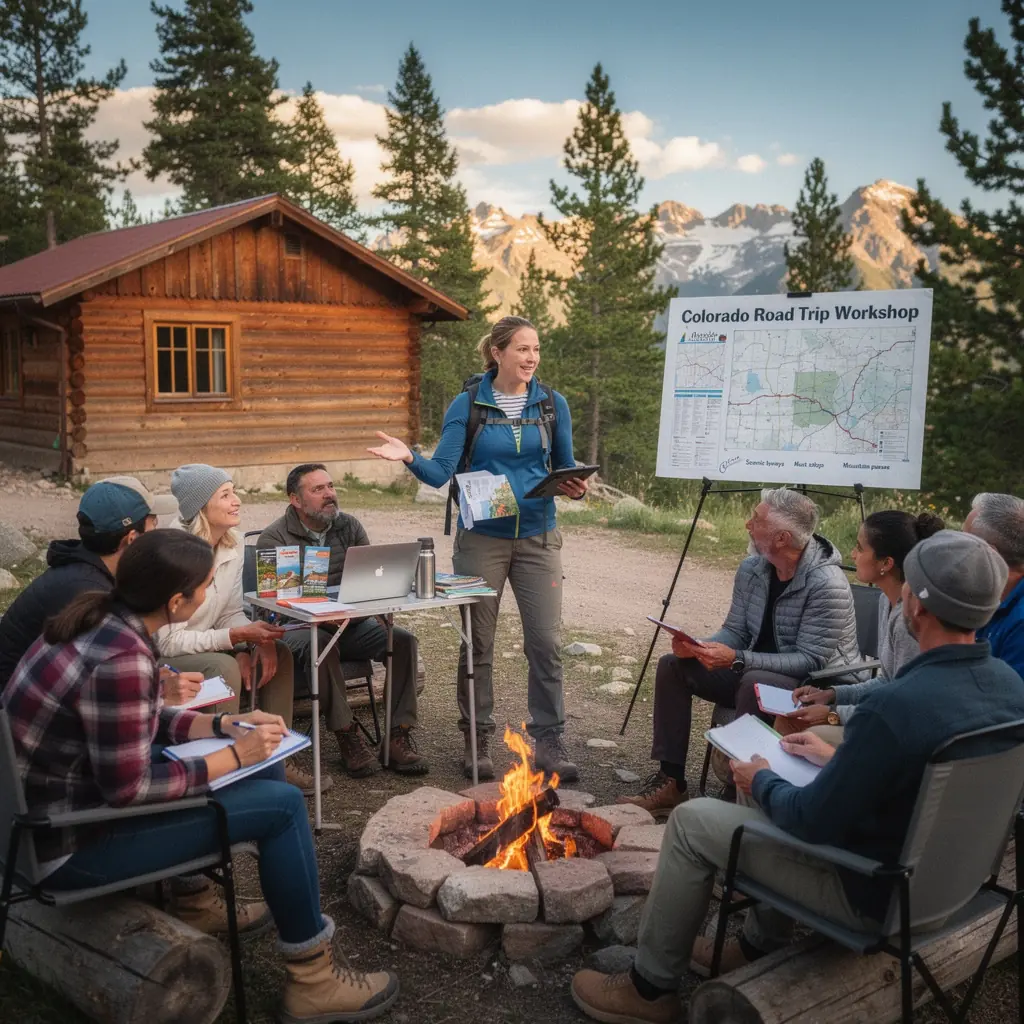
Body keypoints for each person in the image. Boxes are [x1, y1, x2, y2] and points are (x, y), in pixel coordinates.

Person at [570, 531, 1023, 1024]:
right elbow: (922, 776)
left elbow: (811, 821)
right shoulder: (1010, 687)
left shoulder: (896, 708)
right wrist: (840, 762)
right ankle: (758, 944)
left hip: (876, 896)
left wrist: (762, 779)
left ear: (918, 606)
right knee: (800, 754)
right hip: (958, 888)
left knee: (691, 823)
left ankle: (649, 989)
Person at [3, 529, 399, 1022]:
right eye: (207, 585)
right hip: (68, 846)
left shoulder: (99, 617)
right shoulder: (123, 656)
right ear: (176, 601)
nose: (211, 592)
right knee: (282, 807)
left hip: (53, 815)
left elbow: (136, 717)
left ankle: (193, 898)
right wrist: (234, 755)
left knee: (268, 763)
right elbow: (129, 789)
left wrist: (222, 725)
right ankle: (312, 979)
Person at [368, 315, 589, 782]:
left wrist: (575, 487)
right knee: (478, 643)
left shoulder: (552, 404)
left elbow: (565, 465)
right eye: (523, 349)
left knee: (546, 643)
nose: (532, 358)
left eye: (536, 349)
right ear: (498, 352)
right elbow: (439, 472)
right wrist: (408, 456)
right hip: (482, 539)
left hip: (539, 537)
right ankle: (476, 737)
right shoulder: (469, 404)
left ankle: (549, 739)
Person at [618, 488, 860, 815]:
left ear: (782, 538)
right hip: (752, 670)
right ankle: (671, 782)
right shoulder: (753, 568)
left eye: (756, 520)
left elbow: (810, 659)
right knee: (674, 666)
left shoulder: (827, 584)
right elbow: (736, 630)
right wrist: (700, 646)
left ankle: (738, 793)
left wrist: (737, 659)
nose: (748, 525)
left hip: (811, 686)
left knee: (753, 681)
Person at [257, 463, 429, 777]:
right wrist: (321, 617)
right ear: (296, 500)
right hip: (299, 628)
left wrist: (380, 604)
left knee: (402, 640)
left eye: (331, 486)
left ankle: (397, 734)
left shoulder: (349, 526)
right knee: (321, 643)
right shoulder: (274, 538)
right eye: (318, 489)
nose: (329, 494)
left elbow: (371, 578)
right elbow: (269, 606)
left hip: (350, 624)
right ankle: (347, 733)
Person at [155, 464, 316, 796]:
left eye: (234, 492)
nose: (237, 501)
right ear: (201, 507)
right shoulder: (174, 552)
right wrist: (235, 641)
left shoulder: (232, 543)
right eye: (225, 495)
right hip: (165, 657)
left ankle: (276, 755)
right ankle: (227, 766)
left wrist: (254, 642)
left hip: (208, 642)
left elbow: (229, 613)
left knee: (279, 652)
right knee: (223, 666)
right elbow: (168, 641)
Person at [0, 476, 201, 706]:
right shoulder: (86, 592)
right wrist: (159, 691)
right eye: (153, 525)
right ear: (132, 539)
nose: (157, 533)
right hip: (19, 713)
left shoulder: (87, 571)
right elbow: (98, 687)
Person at [781, 509, 945, 742]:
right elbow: (886, 681)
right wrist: (832, 694)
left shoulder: (909, 621)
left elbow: (904, 704)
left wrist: (833, 714)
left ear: (886, 563)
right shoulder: (885, 601)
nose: (853, 554)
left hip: (902, 734)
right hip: (885, 716)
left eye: (860, 548)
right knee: (788, 719)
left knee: (803, 732)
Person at [964, 492, 1024, 679]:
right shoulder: (988, 596)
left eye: (964, 542)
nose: (956, 551)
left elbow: (1010, 695)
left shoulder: (1020, 621)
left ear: (989, 554)